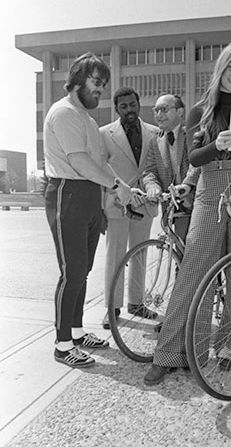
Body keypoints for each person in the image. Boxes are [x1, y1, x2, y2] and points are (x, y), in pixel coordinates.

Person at [144, 39, 231, 385]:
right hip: (211, 190)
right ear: (221, 68)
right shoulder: (201, 111)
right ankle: (173, 353)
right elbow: (195, 158)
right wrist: (218, 145)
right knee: (194, 271)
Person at [43, 52, 133, 368]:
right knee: (73, 271)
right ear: (78, 79)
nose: (100, 90)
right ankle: (62, 344)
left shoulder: (89, 119)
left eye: (103, 84)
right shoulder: (64, 113)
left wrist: (118, 186)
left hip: (89, 195)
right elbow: (79, 161)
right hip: (67, 193)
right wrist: (115, 186)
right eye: (96, 82)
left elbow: (97, 164)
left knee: (84, 269)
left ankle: (77, 332)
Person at [100, 86, 160, 329]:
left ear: (139, 104)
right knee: (115, 257)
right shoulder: (104, 134)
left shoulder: (155, 133)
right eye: (123, 107)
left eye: (132, 105)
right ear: (117, 109)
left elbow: (158, 166)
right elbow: (100, 169)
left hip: (144, 202)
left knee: (140, 253)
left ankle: (136, 303)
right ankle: (112, 309)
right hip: (117, 203)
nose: (129, 110)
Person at [142, 93, 200, 243]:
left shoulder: (193, 133)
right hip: (175, 208)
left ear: (180, 112)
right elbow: (150, 171)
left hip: (198, 203)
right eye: (156, 110)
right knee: (181, 256)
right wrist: (152, 187)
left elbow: (197, 163)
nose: (159, 115)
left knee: (199, 254)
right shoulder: (155, 141)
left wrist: (187, 184)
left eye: (164, 109)